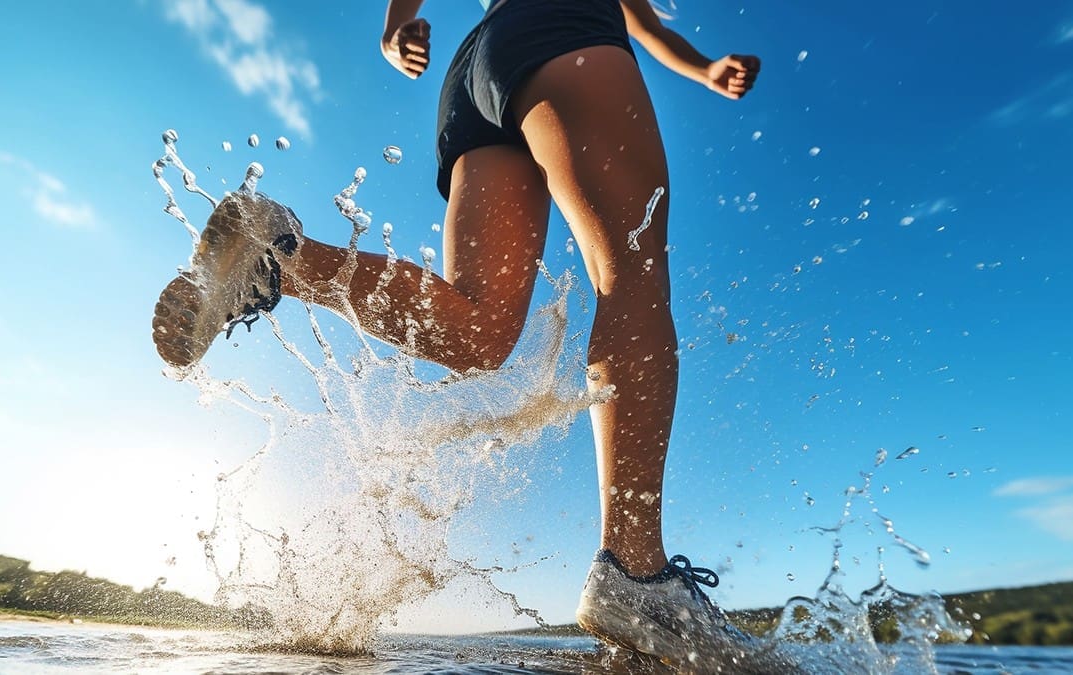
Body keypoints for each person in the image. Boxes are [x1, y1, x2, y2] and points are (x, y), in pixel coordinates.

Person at [152, 0, 761, 666]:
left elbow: (647, 26)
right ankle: (636, 572)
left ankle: (279, 255)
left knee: (479, 328)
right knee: (631, 267)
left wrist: (395, 25)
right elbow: (643, 22)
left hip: (479, 68)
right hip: (565, 31)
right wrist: (703, 68)